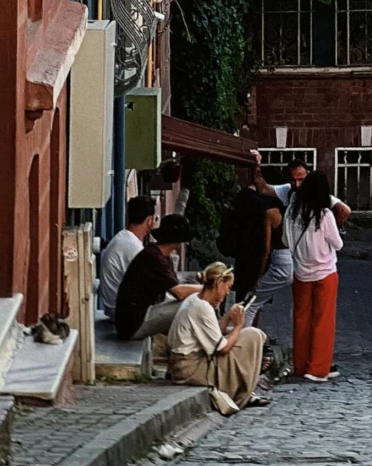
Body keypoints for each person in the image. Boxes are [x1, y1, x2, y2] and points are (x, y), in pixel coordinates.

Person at [167, 262, 269, 411]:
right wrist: (238, 326)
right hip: (190, 368)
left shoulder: (196, 299)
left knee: (250, 334)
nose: (228, 292)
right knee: (252, 335)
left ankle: (245, 389)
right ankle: (243, 393)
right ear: (220, 283)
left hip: (184, 365)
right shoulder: (201, 307)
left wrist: (229, 317)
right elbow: (222, 348)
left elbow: (213, 332)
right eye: (228, 287)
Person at [287, 167, 344, 383]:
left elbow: (287, 240)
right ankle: (318, 368)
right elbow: (338, 244)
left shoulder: (291, 214)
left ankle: (301, 365)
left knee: (301, 320)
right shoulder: (325, 214)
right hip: (325, 272)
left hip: (301, 272)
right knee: (323, 321)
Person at [113, 215, 200, 342]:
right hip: (134, 323)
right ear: (176, 240)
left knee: (194, 302)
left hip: (140, 315)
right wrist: (208, 288)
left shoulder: (159, 254)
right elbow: (179, 293)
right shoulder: (154, 258)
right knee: (194, 304)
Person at [227, 158, 283, 303]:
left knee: (242, 294)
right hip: (258, 250)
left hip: (243, 249)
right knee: (257, 298)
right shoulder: (265, 202)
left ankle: (239, 321)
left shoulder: (244, 196)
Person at [98, 196, 156, 318]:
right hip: (123, 314)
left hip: (114, 308)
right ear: (149, 220)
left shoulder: (123, 238)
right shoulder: (133, 247)